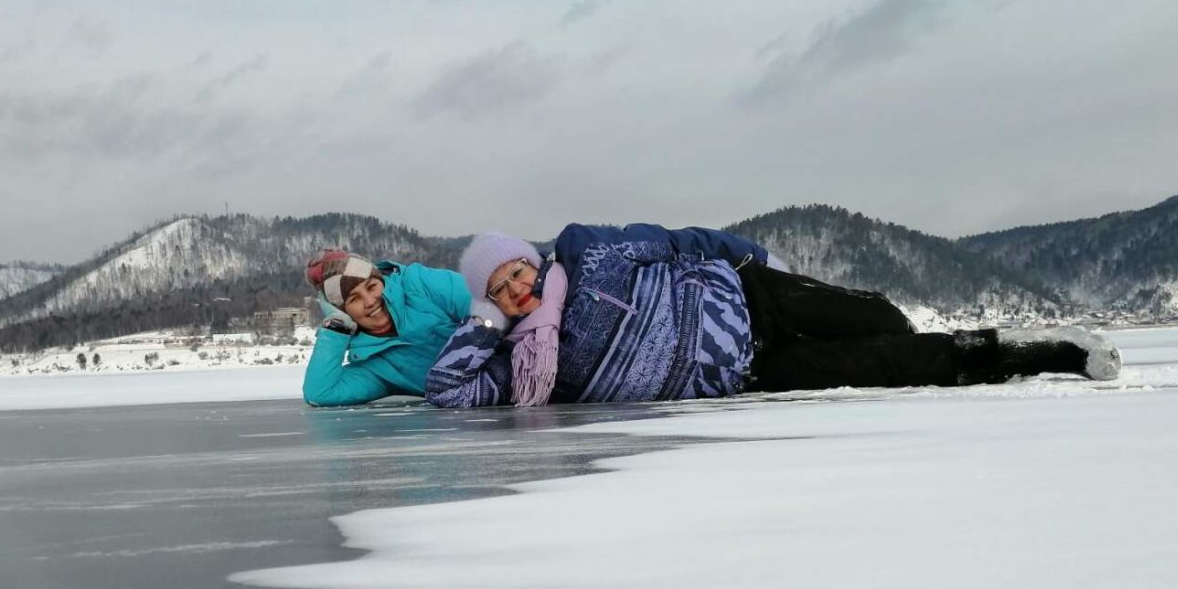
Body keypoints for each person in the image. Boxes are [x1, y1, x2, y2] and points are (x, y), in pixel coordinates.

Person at [425, 224, 1119, 407]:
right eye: (498, 288)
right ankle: (1046, 352)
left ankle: (953, 341)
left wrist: (757, 263)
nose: (516, 288)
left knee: (877, 313)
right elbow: (448, 390)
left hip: (750, 295)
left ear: (533, 260)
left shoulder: (592, 257)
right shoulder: (529, 366)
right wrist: (485, 323)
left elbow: (681, 243)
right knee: (900, 365)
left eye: (516, 270)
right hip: (752, 371)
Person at [301, 250, 470, 406]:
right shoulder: (374, 367)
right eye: (354, 299)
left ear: (382, 280)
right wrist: (336, 328)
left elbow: (484, 304)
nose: (370, 301)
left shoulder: (420, 284)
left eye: (371, 287)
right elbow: (320, 393)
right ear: (343, 311)